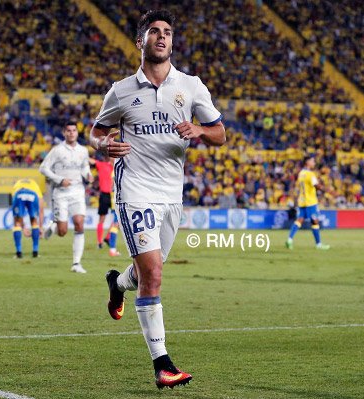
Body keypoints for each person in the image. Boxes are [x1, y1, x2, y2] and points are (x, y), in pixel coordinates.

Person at [90, 10, 226, 389]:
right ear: (141, 42)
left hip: (171, 194)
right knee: (154, 275)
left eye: (167, 32)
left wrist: (199, 130)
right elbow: (96, 132)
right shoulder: (121, 91)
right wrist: (103, 145)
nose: (162, 37)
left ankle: (117, 283)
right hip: (134, 189)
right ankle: (162, 364)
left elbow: (220, 134)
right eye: (154, 31)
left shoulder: (192, 86)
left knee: (147, 274)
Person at [39, 120, 92, 273]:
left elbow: (84, 166)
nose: (71, 133)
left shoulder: (83, 150)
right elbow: (43, 168)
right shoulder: (57, 150)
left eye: (74, 130)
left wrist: (87, 174)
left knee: (79, 223)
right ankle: (54, 225)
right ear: (64, 133)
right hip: (60, 192)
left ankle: (76, 264)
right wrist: (60, 179)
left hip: (77, 191)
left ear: (77, 132)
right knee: (62, 232)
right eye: (68, 130)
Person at [285, 155, 330, 250]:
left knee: (299, 220)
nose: (314, 163)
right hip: (310, 201)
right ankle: (318, 244)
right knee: (315, 221)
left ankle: (289, 239)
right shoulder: (310, 174)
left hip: (302, 200)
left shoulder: (301, 173)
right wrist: (326, 189)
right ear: (307, 162)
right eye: (312, 161)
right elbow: (316, 185)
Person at [90, 154, 121, 256]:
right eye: (114, 156)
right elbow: (92, 161)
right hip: (105, 195)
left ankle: (108, 238)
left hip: (114, 196)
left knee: (117, 221)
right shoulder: (103, 165)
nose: (115, 157)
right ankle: (100, 242)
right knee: (103, 219)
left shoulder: (118, 167)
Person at [11, 177, 44, 258]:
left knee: (17, 223)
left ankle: (19, 253)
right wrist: (40, 227)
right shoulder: (35, 185)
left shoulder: (16, 185)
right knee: (34, 221)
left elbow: (17, 215)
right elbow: (41, 209)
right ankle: (35, 252)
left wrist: (23, 228)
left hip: (20, 193)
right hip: (32, 194)